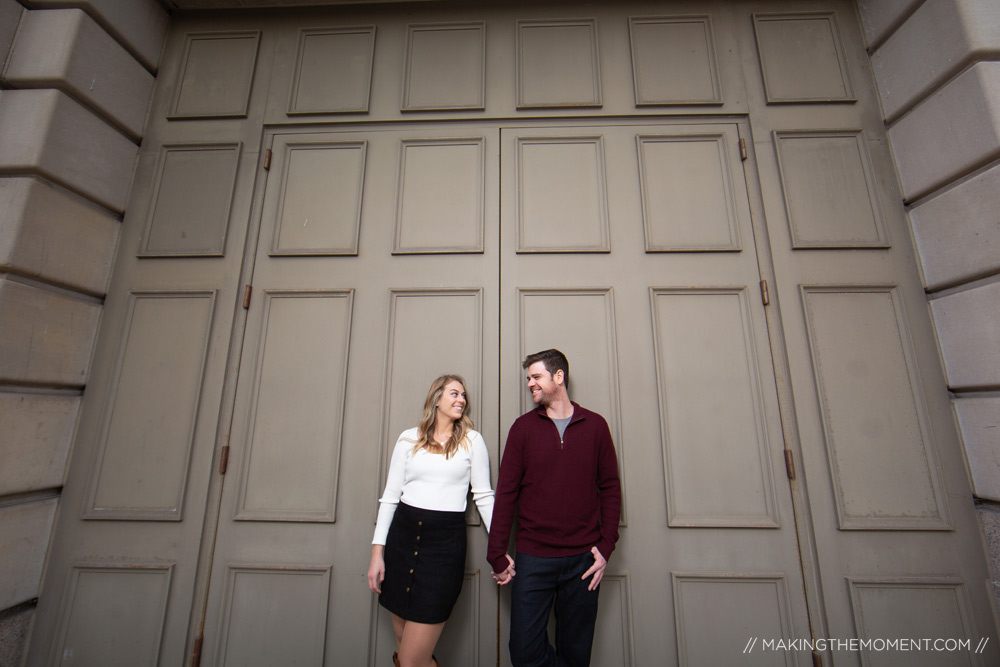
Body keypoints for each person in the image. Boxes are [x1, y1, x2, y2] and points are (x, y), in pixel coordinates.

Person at [487, 349, 622, 667]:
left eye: (536, 377)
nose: (530, 384)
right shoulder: (522, 429)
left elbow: (611, 489)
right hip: (533, 559)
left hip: (583, 562)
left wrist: (606, 546)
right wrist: (496, 552)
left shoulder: (596, 426)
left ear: (558, 377)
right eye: (528, 379)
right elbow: (506, 494)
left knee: (576, 652)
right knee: (524, 652)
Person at [368, 374, 501, 667]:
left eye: (464, 396)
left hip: (443, 549)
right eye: (454, 393)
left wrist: (500, 548)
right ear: (436, 398)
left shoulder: (472, 441)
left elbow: (484, 497)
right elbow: (390, 498)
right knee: (405, 654)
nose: (461, 400)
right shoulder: (407, 439)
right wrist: (378, 553)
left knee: (411, 660)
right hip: (401, 543)